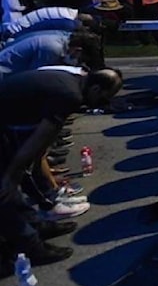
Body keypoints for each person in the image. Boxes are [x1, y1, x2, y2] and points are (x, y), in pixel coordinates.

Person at [0, 68, 123, 266]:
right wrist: (13, 173)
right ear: (96, 88)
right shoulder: (70, 95)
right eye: (103, 98)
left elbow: (41, 143)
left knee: (11, 180)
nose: (103, 104)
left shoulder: (73, 81)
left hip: (6, 122)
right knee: (4, 192)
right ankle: (31, 248)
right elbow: (39, 138)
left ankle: (35, 225)